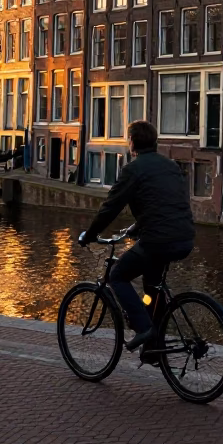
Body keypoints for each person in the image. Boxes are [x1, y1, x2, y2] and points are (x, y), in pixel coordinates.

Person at [78, 120, 194, 351]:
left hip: (157, 241)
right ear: (155, 141)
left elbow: (110, 207)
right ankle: (154, 348)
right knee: (152, 288)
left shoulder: (133, 169)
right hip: (185, 238)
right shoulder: (171, 166)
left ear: (131, 142)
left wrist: (90, 234)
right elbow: (162, 205)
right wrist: (135, 228)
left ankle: (144, 328)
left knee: (117, 275)